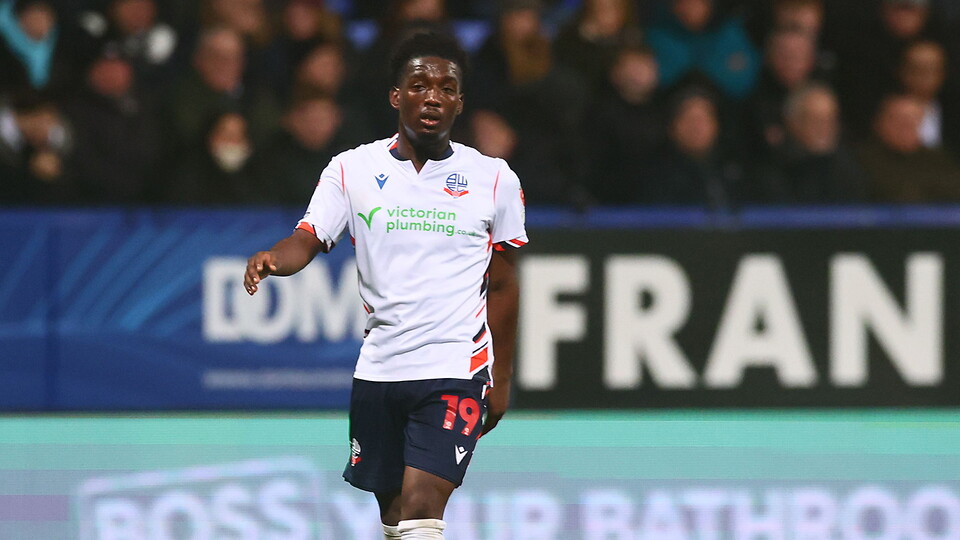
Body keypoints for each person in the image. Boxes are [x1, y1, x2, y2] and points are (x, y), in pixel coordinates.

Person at [243, 32, 526, 539]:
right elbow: (307, 239)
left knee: (422, 508)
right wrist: (274, 260)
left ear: (460, 101)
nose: (432, 96)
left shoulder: (494, 179)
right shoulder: (351, 169)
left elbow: (503, 286)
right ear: (396, 96)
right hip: (380, 369)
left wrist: (499, 380)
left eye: (446, 87)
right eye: (419, 85)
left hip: (455, 369)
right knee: (396, 518)